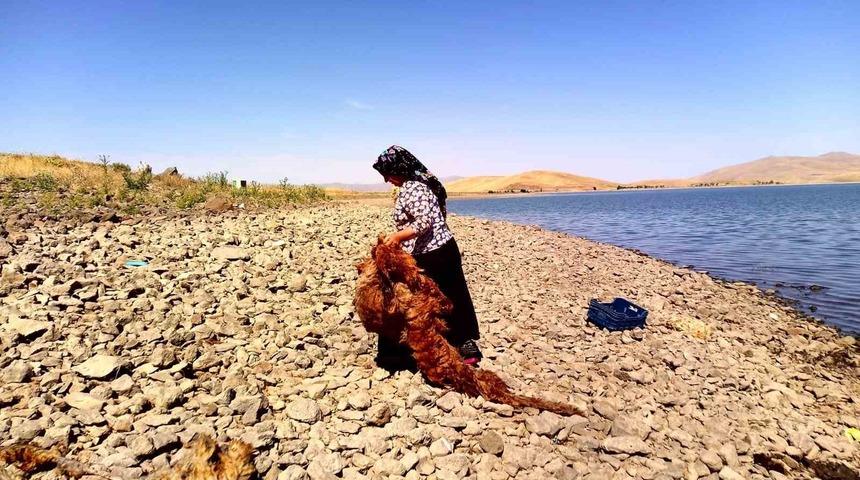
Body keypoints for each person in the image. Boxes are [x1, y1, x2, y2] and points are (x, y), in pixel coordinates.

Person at [372, 145, 483, 369]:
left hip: (433, 255)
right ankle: (460, 345)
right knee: (453, 296)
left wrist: (397, 237)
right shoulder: (419, 185)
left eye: (387, 173)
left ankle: (398, 354)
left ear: (399, 169)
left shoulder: (414, 188)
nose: (386, 180)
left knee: (415, 299)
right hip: (442, 250)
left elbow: (424, 223)